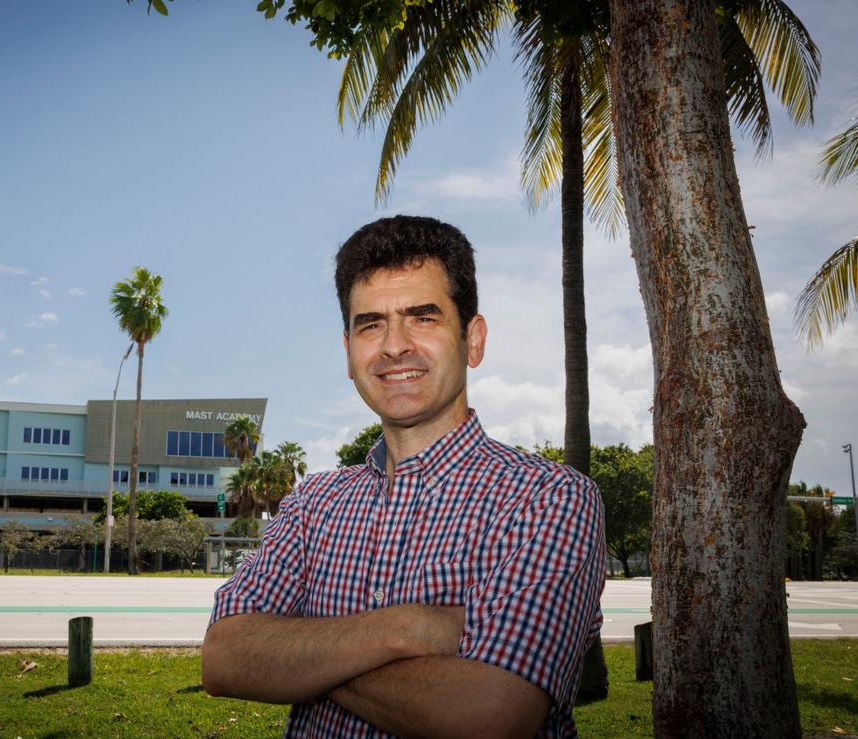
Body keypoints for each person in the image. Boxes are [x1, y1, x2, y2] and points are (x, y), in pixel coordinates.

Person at [202, 215, 605, 738]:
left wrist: (300, 657)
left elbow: (490, 716)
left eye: (423, 317)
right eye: (371, 324)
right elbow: (224, 656)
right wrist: (406, 628)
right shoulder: (314, 503)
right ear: (348, 351)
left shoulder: (547, 499)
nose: (394, 346)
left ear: (473, 340)